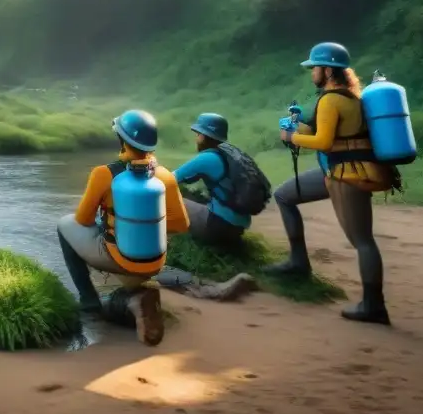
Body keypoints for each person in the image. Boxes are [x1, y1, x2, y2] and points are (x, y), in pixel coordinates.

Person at [269, 41, 395, 325]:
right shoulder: (347, 97)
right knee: (285, 195)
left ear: (327, 70)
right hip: (338, 170)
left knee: (362, 240)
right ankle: (298, 262)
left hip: (347, 175)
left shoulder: (330, 100)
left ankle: (374, 305)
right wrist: (298, 125)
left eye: (314, 67)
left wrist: (291, 138)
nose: (312, 72)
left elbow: (323, 141)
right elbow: (324, 132)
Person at [57, 109, 190, 346]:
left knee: (64, 225)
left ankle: (89, 302)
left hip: (120, 257)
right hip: (154, 260)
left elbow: (83, 220)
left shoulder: (103, 174)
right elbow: (182, 224)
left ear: (122, 140)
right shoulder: (164, 176)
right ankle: (137, 296)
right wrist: (146, 228)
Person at [172, 113, 271, 247]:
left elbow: (170, 179)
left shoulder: (207, 158)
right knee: (195, 196)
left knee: (167, 199)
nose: (196, 139)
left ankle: (167, 241)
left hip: (217, 227)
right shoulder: (229, 154)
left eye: (198, 134)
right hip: (236, 228)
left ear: (205, 135)